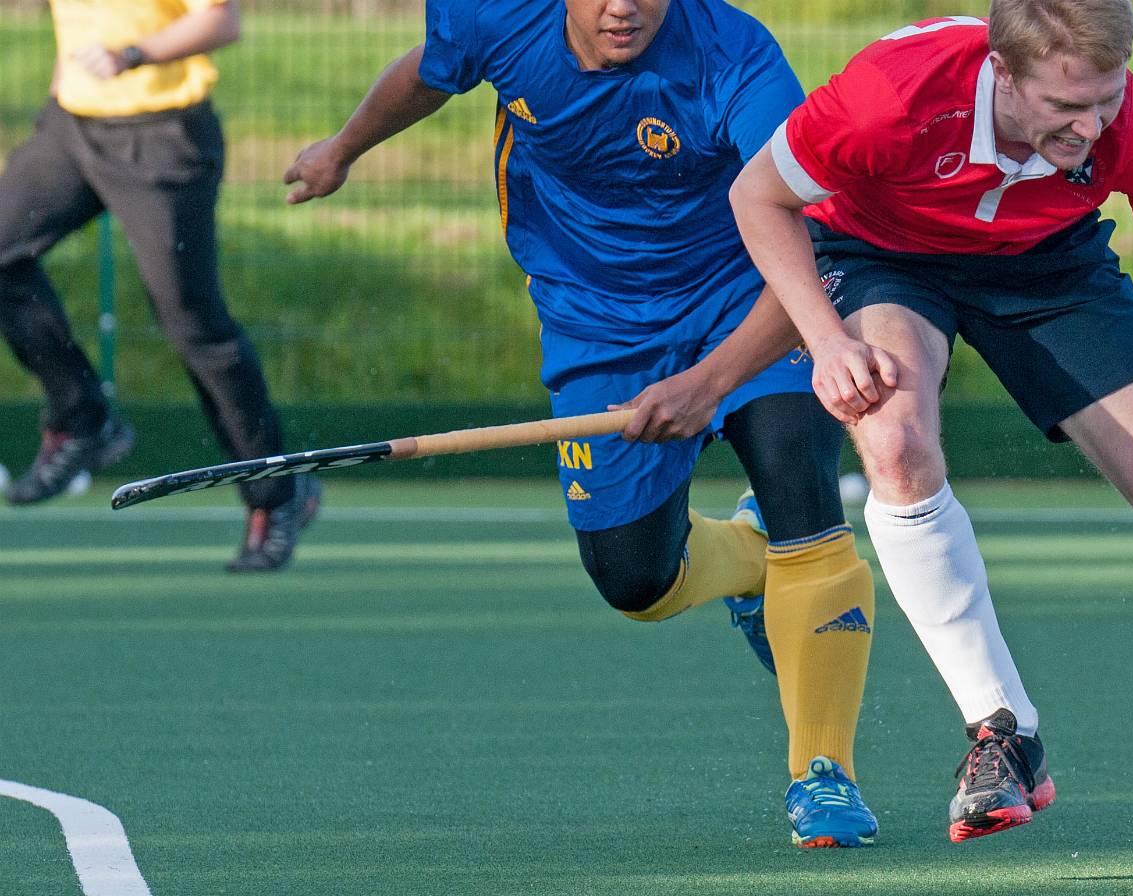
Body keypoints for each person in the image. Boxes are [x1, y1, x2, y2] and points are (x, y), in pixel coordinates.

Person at [730, 0, 1133, 866]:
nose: (1091, 127)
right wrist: (825, 339)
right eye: (1066, 107)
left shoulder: (1131, 127)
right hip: (884, 254)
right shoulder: (892, 96)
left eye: (1106, 100)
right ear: (1002, 74)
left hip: (1051, 264)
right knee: (892, 440)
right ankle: (1001, 728)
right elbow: (759, 193)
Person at [283, 0, 880, 847]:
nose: (622, 8)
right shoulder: (496, 16)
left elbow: (809, 238)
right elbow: (428, 71)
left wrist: (711, 382)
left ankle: (824, 774)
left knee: (798, 476)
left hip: (753, 294)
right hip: (594, 321)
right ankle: (751, 564)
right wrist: (342, 149)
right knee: (635, 580)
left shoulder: (734, 53)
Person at [0, 0, 321, 570]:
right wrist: (59, 105)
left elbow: (222, 21)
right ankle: (83, 419)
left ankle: (278, 492)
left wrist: (132, 55)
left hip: (164, 137)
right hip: (71, 127)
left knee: (192, 324)